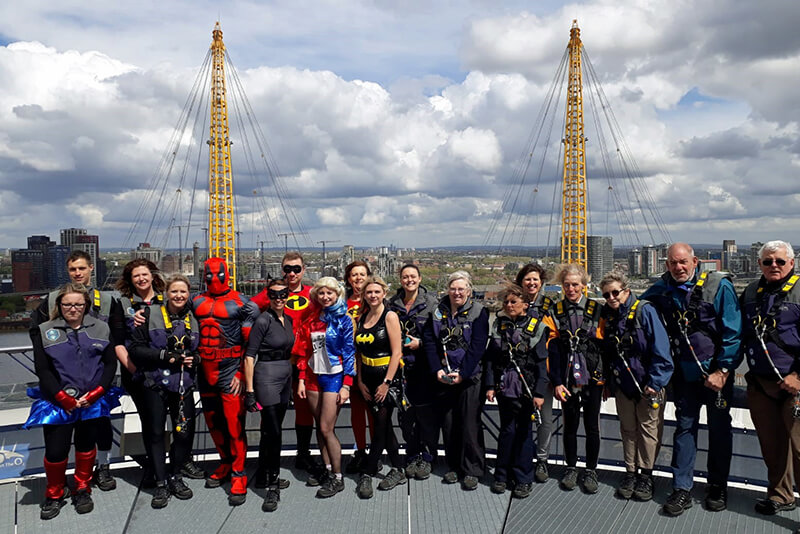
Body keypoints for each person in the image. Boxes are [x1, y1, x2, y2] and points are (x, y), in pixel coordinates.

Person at [642, 242, 741, 516]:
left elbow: (733, 331)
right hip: (686, 374)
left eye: (683, 262)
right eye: (673, 263)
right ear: (667, 265)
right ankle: (682, 489)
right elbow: (636, 305)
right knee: (685, 428)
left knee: (720, 429)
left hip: (716, 374)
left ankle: (718, 486)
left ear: (695, 261)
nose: (679, 267)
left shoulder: (718, 287)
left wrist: (723, 370)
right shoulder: (663, 289)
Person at [24, 283, 118, 519]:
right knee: (56, 450)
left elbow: (110, 364)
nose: (73, 308)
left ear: (85, 305)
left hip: (91, 402)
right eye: (67, 304)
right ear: (59, 306)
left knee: (86, 446)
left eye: (78, 304)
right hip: (58, 402)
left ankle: (82, 488)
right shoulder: (44, 330)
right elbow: (42, 369)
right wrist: (61, 397)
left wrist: (98, 392)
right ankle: (54, 493)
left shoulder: (101, 328)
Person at [599, 271, 672, 502]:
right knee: (628, 430)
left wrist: (656, 381)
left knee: (649, 431)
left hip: (648, 385)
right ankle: (631, 472)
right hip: (623, 385)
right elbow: (609, 354)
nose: (611, 297)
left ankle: (646, 476)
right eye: (607, 294)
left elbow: (662, 349)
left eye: (615, 292)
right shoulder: (609, 317)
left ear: (626, 291)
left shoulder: (645, 311)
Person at [193, 257, 260, 506]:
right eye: (208, 275)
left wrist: (242, 374)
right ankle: (225, 463)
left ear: (226, 274)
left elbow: (251, 345)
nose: (212, 279)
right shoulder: (195, 301)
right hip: (204, 370)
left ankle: (239, 473)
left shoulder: (243, 304)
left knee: (234, 425)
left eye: (217, 274)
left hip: (230, 371)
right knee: (213, 422)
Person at [740, 240, 800, 517]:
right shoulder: (753, 291)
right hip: (761, 383)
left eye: (779, 261)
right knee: (772, 446)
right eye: (767, 261)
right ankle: (781, 496)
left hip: (795, 385)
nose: (773, 265)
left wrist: (798, 375)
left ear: (792, 263)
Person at [129, 275, 198, 508]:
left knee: (183, 434)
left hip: (183, 386)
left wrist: (195, 358)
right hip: (154, 384)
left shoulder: (194, 316)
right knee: (156, 433)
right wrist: (164, 356)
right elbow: (136, 350)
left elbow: (204, 347)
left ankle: (176, 476)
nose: (179, 296)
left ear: (189, 294)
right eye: (174, 291)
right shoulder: (148, 315)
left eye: (183, 292)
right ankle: (160, 483)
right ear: (166, 293)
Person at [251, 252, 320, 474]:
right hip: (274, 365)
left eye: (296, 269)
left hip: (303, 364)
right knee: (270, 416)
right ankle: (268, 464)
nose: (292, 273)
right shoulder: (270, 294)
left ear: (303, 270)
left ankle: (303, 455)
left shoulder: (312, 294)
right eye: (287, 269)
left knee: (304, 409)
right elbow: (245, 310)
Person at [423, 270, 490, 491]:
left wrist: (463, 373)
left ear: (469, 291)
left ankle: (473, 469)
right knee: (449, 424)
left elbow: (478, 346)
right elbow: (430, 342)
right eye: (453, 288)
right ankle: (454, 466)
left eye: (461, 289)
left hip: (469, 378)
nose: (457, 292)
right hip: (444, 377)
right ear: (447, 290)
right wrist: (437, 370)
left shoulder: (479, 313)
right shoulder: (436, 312)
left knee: (470, 424)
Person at [293, 277, 356, 498]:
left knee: (327, 428)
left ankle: (338, 477)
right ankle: (328, 470)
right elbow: (304, 350)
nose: (326, 297)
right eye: (321, 293)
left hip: (334, 377)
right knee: (320, 428)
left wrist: (347, 384)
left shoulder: (344, 320)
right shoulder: (312, 318)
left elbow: (349, 352)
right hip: (311, 376)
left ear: (337, 294)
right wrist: (301, 377)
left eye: (330, 293)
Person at [485, 284, 549, 499]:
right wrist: (490, 386)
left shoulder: (537, 328)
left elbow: (541, 364)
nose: (509, 305)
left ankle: (523, 478)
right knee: (506, 432)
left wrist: (540, 393)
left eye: (513, 302)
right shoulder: (499, 326)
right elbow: (491, 359)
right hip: (505, 388)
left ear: (524, 304)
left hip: (527, 388)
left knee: (523, 433)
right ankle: (502, 475)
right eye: (506, 302)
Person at [549, 264, 604, 494]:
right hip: (567, 378)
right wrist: (557, 381)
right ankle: (571, 467)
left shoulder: (596, 309)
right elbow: (552, 347)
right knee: (569, 425)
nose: (571, 289)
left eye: (575, 285)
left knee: (592, 426)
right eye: (567, 285)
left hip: (592, 377)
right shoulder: (556, 311)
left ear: (584, 285)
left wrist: (604, 379)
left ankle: (591, 470)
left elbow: (603, 346)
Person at [244, 279, 295, 512]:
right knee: (274, 432)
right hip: (266, 377)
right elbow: (249, 356)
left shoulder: (289, 319)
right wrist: (250, 390)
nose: (279, 299)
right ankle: (272, 486)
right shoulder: (263, 320)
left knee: (270, 430)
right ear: (268, 296)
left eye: (283, 294)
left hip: (285, 377)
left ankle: (264, 474)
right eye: (274, 295)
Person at [354, 277, 406, 499]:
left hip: (386, 379)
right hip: (367, 378)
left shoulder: (390, 316)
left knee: (380, 426)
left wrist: (386, 383)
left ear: (384, 293)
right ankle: (398, 467)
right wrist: (360, 381)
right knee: (382, 426)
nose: (373, 296)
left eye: (377, 292)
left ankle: (368, 470)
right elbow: (358, 353)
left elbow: (397, 352)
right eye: (369, 292)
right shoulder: (363, 317)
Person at [387, 263, 438, 480]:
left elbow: (440, 337)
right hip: (401, 368)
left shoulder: (432, 304)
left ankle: (427, 456)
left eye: (413, 277)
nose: (409, 280)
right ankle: (412, 452)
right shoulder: (391, 304)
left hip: (424, 367)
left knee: (426, 415)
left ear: (419, 279)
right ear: (401, 280)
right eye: (405, 277)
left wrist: (421, 344)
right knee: (405, 415)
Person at [514, 263, 558, 482]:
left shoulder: (550, 307)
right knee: (518, 418)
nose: (531, 283)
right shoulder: (513, 304)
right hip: (517, 372)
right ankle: (520, 458)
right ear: (521, 282)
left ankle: (541, 460)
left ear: (541, 283)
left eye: (535, 280)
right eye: (527, 279)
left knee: (545, 419)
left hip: (542, 371)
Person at [343, 260, 374, 474]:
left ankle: (375, 451)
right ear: (348, 279)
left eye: (362, 274)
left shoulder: (375, 301)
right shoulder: (341, 303)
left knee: (373, 411)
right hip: (349, 363)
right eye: (354, 275)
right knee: (356, 411)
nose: (358, 279)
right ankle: (360, 450)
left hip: (371, 364)